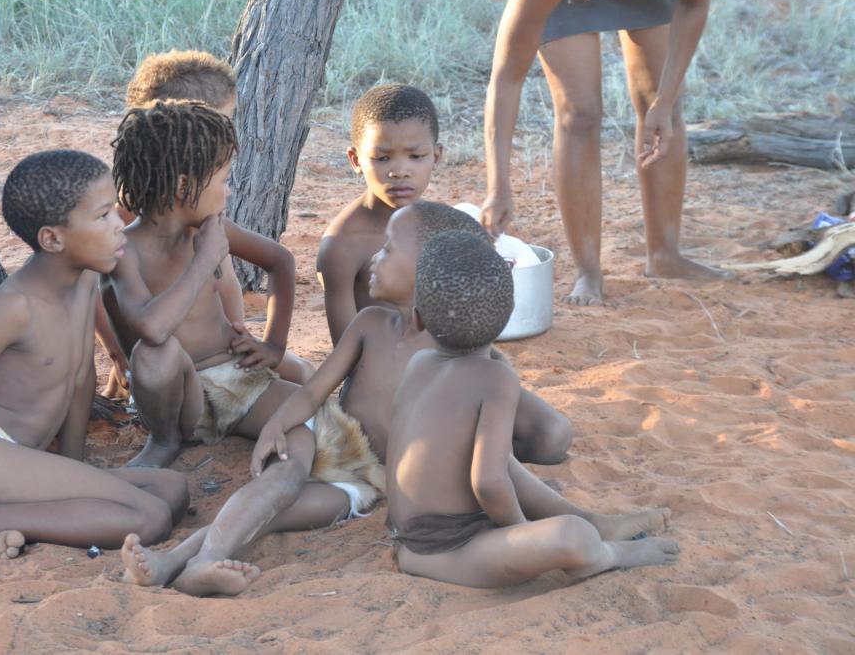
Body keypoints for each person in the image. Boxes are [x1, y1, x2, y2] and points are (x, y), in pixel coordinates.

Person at [116, 202, 570, 596]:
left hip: (366, 478)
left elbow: (496, 439)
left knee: (277, 513)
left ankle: (184, 564)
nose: (375, 256)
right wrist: (278, 425)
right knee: (277, 483)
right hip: (327, 431)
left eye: (390, 249)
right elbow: (315, 391)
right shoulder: (371, 324)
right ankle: (189, 560)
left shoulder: (467, 358)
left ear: (426, 273)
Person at [0, 151, 188, 561]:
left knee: (172, 490)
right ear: (52, 239)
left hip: (16, 461)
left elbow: (79, 379)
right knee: (149, 518)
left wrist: (76, 468)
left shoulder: (86, 277)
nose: (120, 227)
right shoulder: (13, 307)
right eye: (102, 216)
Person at [482, 0, 729, 306]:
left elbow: (694, 4)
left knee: (661, 104)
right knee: (579, 115)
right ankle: (588, 273)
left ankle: (665, 254)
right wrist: (498, 184)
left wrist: (666, 98)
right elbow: (507, 74)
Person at [386, 230, 679, 587]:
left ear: (417, 319)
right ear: (510, 316)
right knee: (572, 537)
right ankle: (607, 554)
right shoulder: (495, 378)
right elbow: (489, 484)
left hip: (412, 536)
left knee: (502, 461)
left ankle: (595, 520)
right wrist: (524, 536)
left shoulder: (419, 363)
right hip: (448, 552)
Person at [102, 101, 302, 470]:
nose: (227, 192)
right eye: (223, 179)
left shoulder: (211, 228)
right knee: (155, 352)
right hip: (180, 402)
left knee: (313, 403)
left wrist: (273, 344)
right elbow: (151, 327)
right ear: (183, 186)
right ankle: (164, 444)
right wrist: (205, 260)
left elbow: (280, 262)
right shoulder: (124, 252)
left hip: (236, 375)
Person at [110, 50, 313, 392]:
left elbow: (279, 260)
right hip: (179, 370)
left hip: (234, 349)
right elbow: (104, 297)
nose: (226, 133)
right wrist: (119, 358)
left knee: (306, 375)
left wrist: (273, 345)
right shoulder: (124, 224)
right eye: (220, 120)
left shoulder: (206, 212)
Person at [317, 84, 443, 346]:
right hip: (377, 379)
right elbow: (346, 354)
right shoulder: (342, 245)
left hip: (437, 372)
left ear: (436, 156)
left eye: (416, 156)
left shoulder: (441, 226)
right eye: (382, 158)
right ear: (356, 160)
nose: (399, 171)